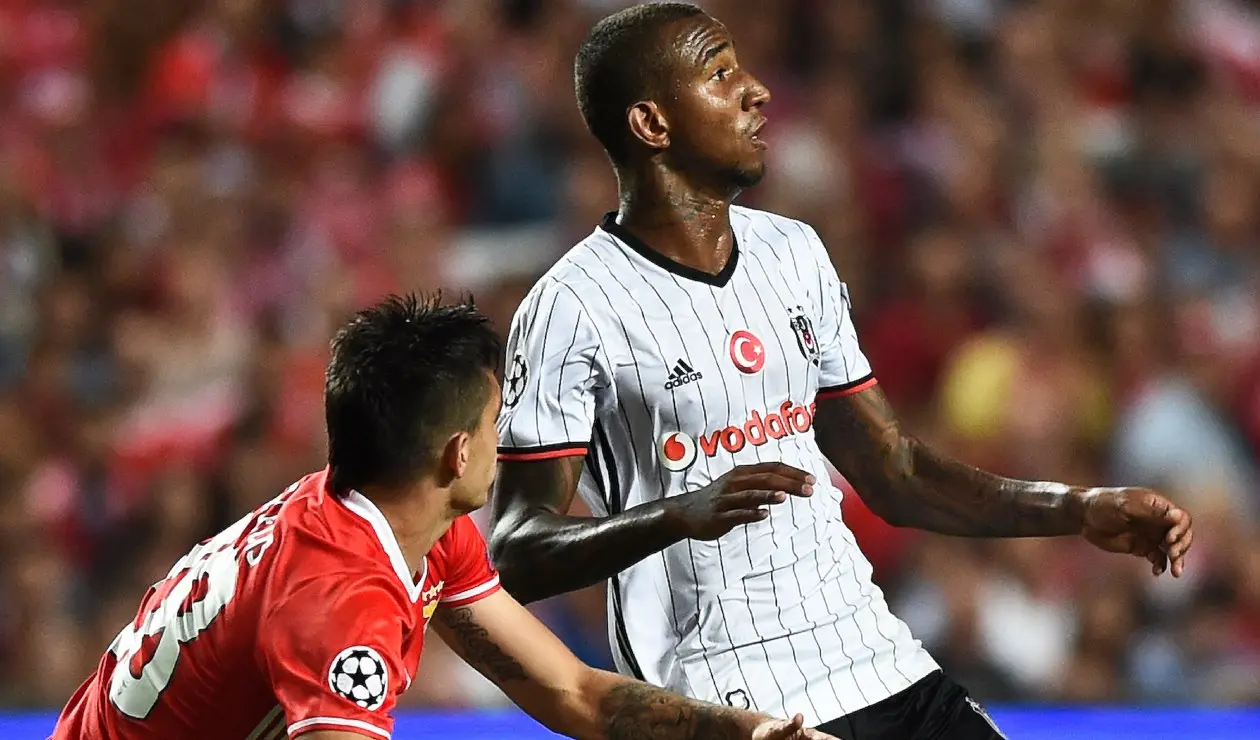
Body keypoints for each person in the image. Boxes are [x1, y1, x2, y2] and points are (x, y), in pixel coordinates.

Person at [488, 4, 1196, 740]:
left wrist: (1079, 509)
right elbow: (516, 547)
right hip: (726, 700)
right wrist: (677, 514)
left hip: (875, 657)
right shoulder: (571, 308)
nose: (756, 90)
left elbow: (895, 473)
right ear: (652, 125)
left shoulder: (795, 254)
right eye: (721, 74)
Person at [51, 294, 837, 740]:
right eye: (499, 422)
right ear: (458, 455)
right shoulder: (340, 597)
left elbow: (576, 693)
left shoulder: (411, 527)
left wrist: (746, 733)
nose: (509, 442)